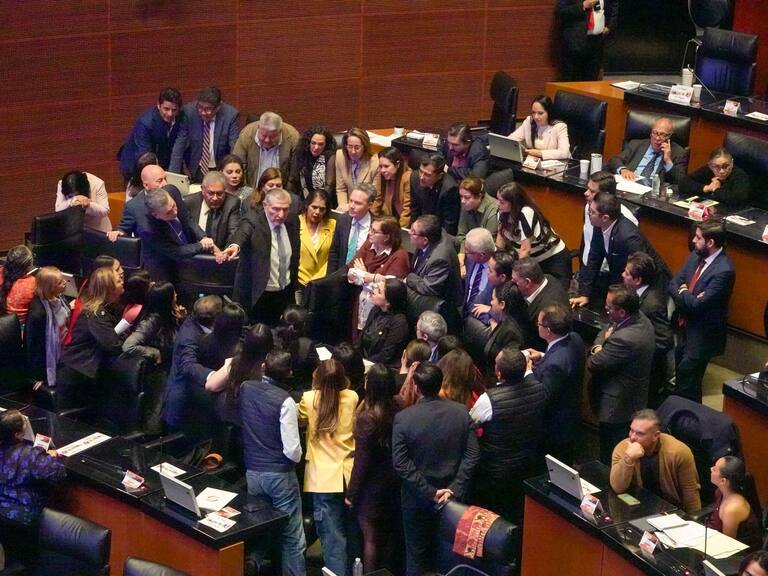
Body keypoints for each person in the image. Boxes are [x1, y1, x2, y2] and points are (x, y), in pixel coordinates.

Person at [393, 363, 480, 576]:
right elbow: (472, 455)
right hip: (455, 499)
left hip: (417, 498)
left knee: (416, 556)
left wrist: (430, 492)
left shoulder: (404, 419)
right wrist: (455, 488)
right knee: (451, 555)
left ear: (416, 387)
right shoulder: (460, 412)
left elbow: (401, 464)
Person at [240, 349, 306, 576]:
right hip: (280, 476)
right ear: (288, 374)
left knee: (263, 527)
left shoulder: (245, 388)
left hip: (252, 473)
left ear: (263, 368)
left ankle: (255, 562)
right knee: (292, 537)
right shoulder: (286, 402)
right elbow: (292, 451)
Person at [470, 347, 546, 520]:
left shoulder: (489, 399)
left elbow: (470, 424)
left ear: (498, 373)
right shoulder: (539, 389)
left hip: (496, 470)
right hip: (527, 465)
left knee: (494, 517)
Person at [298, 359, 358, 576]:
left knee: (332, 540)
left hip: (322, 479)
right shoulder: (352, 397)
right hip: (348, 475)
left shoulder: (309, 399)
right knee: (350, 536)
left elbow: (299, 419)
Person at [669, 219, 735, 403]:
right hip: (684, 327)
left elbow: (699, 306)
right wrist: (688, 295)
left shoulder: (724, 271)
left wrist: (683, 292)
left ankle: (688, 420)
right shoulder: (696, 256)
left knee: (687, 379)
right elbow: (673, 284)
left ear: (710, 243)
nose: (693, 241)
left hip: (702, 335)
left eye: (698, 238)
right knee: (684, 378)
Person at [588, 285, 655, 464]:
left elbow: (594, 363)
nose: (605, 309)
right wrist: (604, 343)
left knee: (610, 455)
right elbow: (609, 327)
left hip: (617, 407)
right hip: (631, 399)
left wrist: (597, 347)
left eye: (609, 307)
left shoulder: (626, 338)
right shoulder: (639, 318)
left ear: (623, 311)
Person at [346, 364, 403, 573]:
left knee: (370, 540)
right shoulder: (399, 405)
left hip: (371, 487)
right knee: (388, 536)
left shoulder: (367, 418)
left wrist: (351, 494)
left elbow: (361, 463)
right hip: (393, 480)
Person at [570, 192, 669, 309]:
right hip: (621, 278)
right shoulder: (599, 224)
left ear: (605, 217)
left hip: (650, 286)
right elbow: (594, 258)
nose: (588, 213)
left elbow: (640, 271)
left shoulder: (628, 238)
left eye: (592, 212)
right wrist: (585, 294)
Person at [218, 188, 300, 325]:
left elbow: (295, 257)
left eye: (285, 209)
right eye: (276, 209)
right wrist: (234, 246)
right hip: (259, 294)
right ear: (265, 205)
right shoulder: (253, 220)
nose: (281, 214)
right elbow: (242, 233)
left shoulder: (292, 220)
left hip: (284, 291)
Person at [0, 410, 65, 564]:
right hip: (23, 518)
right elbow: (57, 473)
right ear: (18, 434)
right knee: (28, 561)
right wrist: (51, 456)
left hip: (2, 515)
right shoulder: (30, 455)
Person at [57, 266, 125, 410]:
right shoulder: (96, 314)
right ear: (109, 288)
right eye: (119, 281)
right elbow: (113, 345)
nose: (123, 282)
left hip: (78, 371)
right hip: (77, 376)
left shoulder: (96, 306)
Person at [524, 304, 585, 464]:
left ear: (548, 330)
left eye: (539, 324)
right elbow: (565, 362)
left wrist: (528, 371)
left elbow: (542, 395)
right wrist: (543, 356)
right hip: (572, 416)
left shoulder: (556, 364)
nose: (537, 326)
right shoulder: (575, 338)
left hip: (555, 428)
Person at [610, 409, 701, 514]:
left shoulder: (679, 452)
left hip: (669, 510)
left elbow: (690, 492)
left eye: (640, 433)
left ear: (656, 436)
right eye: (631, 430)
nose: (632, 437)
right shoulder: (623, 448)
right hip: (636, 507)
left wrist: (695, 520)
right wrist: (628, 459)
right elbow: (617, 488)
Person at [122, 282, 185, 433]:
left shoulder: (168, 315)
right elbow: (128, 346)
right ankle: (151, 443)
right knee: (155, 411)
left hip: (168, 370)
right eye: (174, 293)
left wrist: (181, 319)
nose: (176, 295)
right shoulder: (152, 320)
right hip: (155, 373)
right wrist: (154, 353)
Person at [162, 295, 222, 434]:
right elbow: (187, 365)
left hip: (195, 406)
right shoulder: (189, 337)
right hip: (182, 407)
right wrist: (213, 375)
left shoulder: (194, 321)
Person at [622, 252, 673, 408]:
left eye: (626, 273)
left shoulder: (653, 304)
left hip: (649, 372)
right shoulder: (635, 295)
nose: (622, 275)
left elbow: (665, 341)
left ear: (637, 280)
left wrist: (639, 349)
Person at [496, 182, 571, 287]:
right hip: (534, 261)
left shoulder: (526, 212)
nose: (497, 204)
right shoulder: (501, 212)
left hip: (554, 259)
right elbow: (500, 238)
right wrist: (496, 261)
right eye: (498, 200)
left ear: (514, 203)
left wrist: (516, 273)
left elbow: (525, 249)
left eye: (502, 202)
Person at [347, 216, 410, 332]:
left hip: (380, 314)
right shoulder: (369, 244)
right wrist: (374, 278)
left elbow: (388, 289)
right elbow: (351, 271)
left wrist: (363, 274)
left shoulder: (400, 256)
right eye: (370, 228)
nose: (369, 233)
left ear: (387, 237)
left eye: (374, 231)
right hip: (359, 303)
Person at [206, 323, 275, 423]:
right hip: (261, 419)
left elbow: (210, 386)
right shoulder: (274, 366)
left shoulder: (235, 363)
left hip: (237, 415)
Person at [169, 86, 240, 183]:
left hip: (220, 168)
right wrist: (173, 178)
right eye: (200, 107)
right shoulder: (188, 112)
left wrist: (231, 172)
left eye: (208, 109)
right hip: (197, 168)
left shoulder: (231, 115)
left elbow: (234, 146)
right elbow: (180, 144)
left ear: (218, 107)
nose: (202, 112)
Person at [119, 88, 182, 181]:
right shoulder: (145, 123)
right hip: (136, 166)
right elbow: (144, 156)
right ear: (158, 105)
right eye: (166, 109)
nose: (170, 114)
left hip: (160, 163)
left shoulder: (181, 118)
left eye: (174, 110)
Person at [580, 170, 638, 269]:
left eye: (592, 191)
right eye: (587, 189)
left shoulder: (627, 219)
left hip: (609, 272)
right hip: (590, 265)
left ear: (605, 195)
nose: (586, 193)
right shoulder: (589, 207)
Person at [607, 116, 689, 185]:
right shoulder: (636, 144)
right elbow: (614, 160)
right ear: (650, 133)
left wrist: (668, 161)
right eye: (655, 133)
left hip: (653, 194)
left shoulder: (678, 153)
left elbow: (681, 182)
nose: (657, 138)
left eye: (663, 135)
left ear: (669, 136)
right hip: (629, 185)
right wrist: (623, 170)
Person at [24, 266, 70, 387]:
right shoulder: (38, 313)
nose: (65, 283)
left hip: (64, 347)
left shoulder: (60, 297)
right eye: (60, 282)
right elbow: (34, 346)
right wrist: (40, 375)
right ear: (50, 288)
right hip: (48, 358)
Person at [510, 257, 570, 350]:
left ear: (527, 282)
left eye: (515, 281)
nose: (512, 283)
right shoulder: (548, 278)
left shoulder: (546, 310)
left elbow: (539, 341)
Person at [405, 215, 463, 308]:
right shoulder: (439, 232)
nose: (409, 233)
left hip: (443, 306)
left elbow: (429, 288)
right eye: (411, 228)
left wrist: (408, 277)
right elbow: (456, 242)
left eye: (413, 232)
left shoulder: (439, 259)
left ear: (425, 240)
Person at [707, 456, 763, 550]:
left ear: (723, 481)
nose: (711, 469)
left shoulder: (732, 509)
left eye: (715, 469)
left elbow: (727, 545)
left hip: (736, 555)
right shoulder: (719, 491)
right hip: (713, 536)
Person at [233, 111, 300, 187]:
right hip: (251, 189)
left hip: (280, 191)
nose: (267, 140)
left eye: (272, 137)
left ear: (280, 132)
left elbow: (294, 174)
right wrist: (247, 196)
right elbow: (238, 167)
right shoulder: (246, 134)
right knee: (240, 198)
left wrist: (285, 195)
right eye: (264, 136)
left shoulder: (293, 137)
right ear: (258, 128)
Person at [558, 0, 617, 81]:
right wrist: (583, 6)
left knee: (591, 81)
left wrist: (609, 26)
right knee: (572, 82)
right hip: (576, 41)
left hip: (597, 41)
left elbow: (613, 5)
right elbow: (561, 12)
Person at [184, 170, 241, 249]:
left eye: (219, 193)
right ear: (203, 190)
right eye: (210, 193)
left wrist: (227, 251)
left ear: (225, 191)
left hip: (220, 256)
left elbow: (233, 232)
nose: (215, 198)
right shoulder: (189, 202)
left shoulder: (232, 203)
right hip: (193, 255)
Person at [327, 183, 376, 274]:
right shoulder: (343, 220)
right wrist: (330, 279)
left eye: (357, 203)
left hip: (362, 280)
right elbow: (334, 252)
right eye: (351, 200)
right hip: (341, 276)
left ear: (370, 205)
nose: (352, 206)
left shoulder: (376, 226)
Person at [361, 278, 409, 369]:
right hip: (365, 360)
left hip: (382, 368)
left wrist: (364, 363)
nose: (373, 291)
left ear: (388, 302)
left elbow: (386, 355)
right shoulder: (376, 309)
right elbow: (362, 336)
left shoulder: (399, 323)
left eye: (378, 291)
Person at [680, 147, 751, 209]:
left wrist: (716, 189)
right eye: (717, 167)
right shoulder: (707, 170)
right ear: (710, 166)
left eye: (726, 166)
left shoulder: (740, 176)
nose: (722, 171)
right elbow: (683, 183)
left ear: (732, 163)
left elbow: (737, 199)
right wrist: (707, 188)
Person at [409, 153, 460, 236]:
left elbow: (449, 223)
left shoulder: (449, 189)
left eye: (427, 175)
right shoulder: (414, 178)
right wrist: (413, 232)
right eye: (421, 171)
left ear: (439, 176)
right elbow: (414, 209)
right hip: (421, 227)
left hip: (439, 231)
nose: (421, 177)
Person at [287, 125, 337, 206]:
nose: (316, 147)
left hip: (323, 202)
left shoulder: (330, 157)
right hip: (303, 201)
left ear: (326, 144)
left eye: (320, 144)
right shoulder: (301, 154)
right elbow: (292, 180)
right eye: (313, 143)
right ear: (308, 142)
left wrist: (318, 203)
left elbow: (329, 186)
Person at [509, 95, 570, 160]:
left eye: (540, 113)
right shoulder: (529, 122)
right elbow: (511, 140)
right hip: (535, 163)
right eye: (533, 112)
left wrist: (538, 153)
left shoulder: (560, 127)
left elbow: (564, 153)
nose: (536, 117)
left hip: (559, 165)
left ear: (549, 113)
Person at [298, 189, 336, 288]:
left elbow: (333, 257)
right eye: (314, 207)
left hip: (323, 282)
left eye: (322, 209)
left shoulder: (333, 226)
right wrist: (305, 280)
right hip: (299, 282)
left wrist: (318, 280)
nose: (317, 212)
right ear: (307, 205)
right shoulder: (295, 223)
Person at [335, 127, 379, 211]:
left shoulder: (375, 163)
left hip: (366, 209)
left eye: (357, 147)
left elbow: (375, 198)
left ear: (365, 147)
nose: (353, 151)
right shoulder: (340, 156)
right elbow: (341, 188)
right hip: (348, 207)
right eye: (350, 147)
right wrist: (343, 208)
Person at [456, 176, 498, 256]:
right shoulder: (466, 205)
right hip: (469, 249)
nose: (462, 201)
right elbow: (461, 234)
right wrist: (461, 253)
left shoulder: (493, 210)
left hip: (483, 253)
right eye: (461, 196)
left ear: (479, 196)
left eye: (467, 197)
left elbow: (488, 244)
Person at [371, 146, 411, 228]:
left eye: (386, 166)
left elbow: (407, 211)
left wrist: (399, 231)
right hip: (390, 219)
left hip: (405, 223)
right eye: (381, 166)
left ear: (397, 164)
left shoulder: (407, 178)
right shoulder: (382, 175)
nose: (382, 170)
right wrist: (371, 222)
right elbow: (377, 201)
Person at [462, 228, 496, 315]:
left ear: (481, 255)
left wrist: (491, 311)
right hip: (463, 309)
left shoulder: (501, 266)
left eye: (467, 252)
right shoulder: (472, 253)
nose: (465, 253)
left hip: (482, 318)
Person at [0, 245, 36, 324]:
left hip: (3, 324)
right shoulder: (33, 283)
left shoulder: (1, 273)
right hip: (22, 327)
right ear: (29, 266)